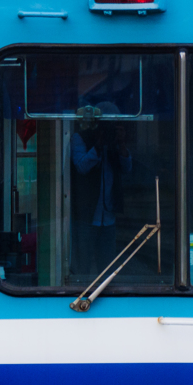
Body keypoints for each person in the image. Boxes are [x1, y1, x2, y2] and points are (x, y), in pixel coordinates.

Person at [70, 101, 132, 274]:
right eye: (104, 124)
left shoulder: (115, 142)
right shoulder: (80, 138)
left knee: (107, 269)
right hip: (86, 217)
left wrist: (121, 144)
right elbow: (81, 166)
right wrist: (98, 145)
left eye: (112, 124)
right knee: (83, 266)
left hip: (108, 218)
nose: (107, 129)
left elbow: (127, 168)